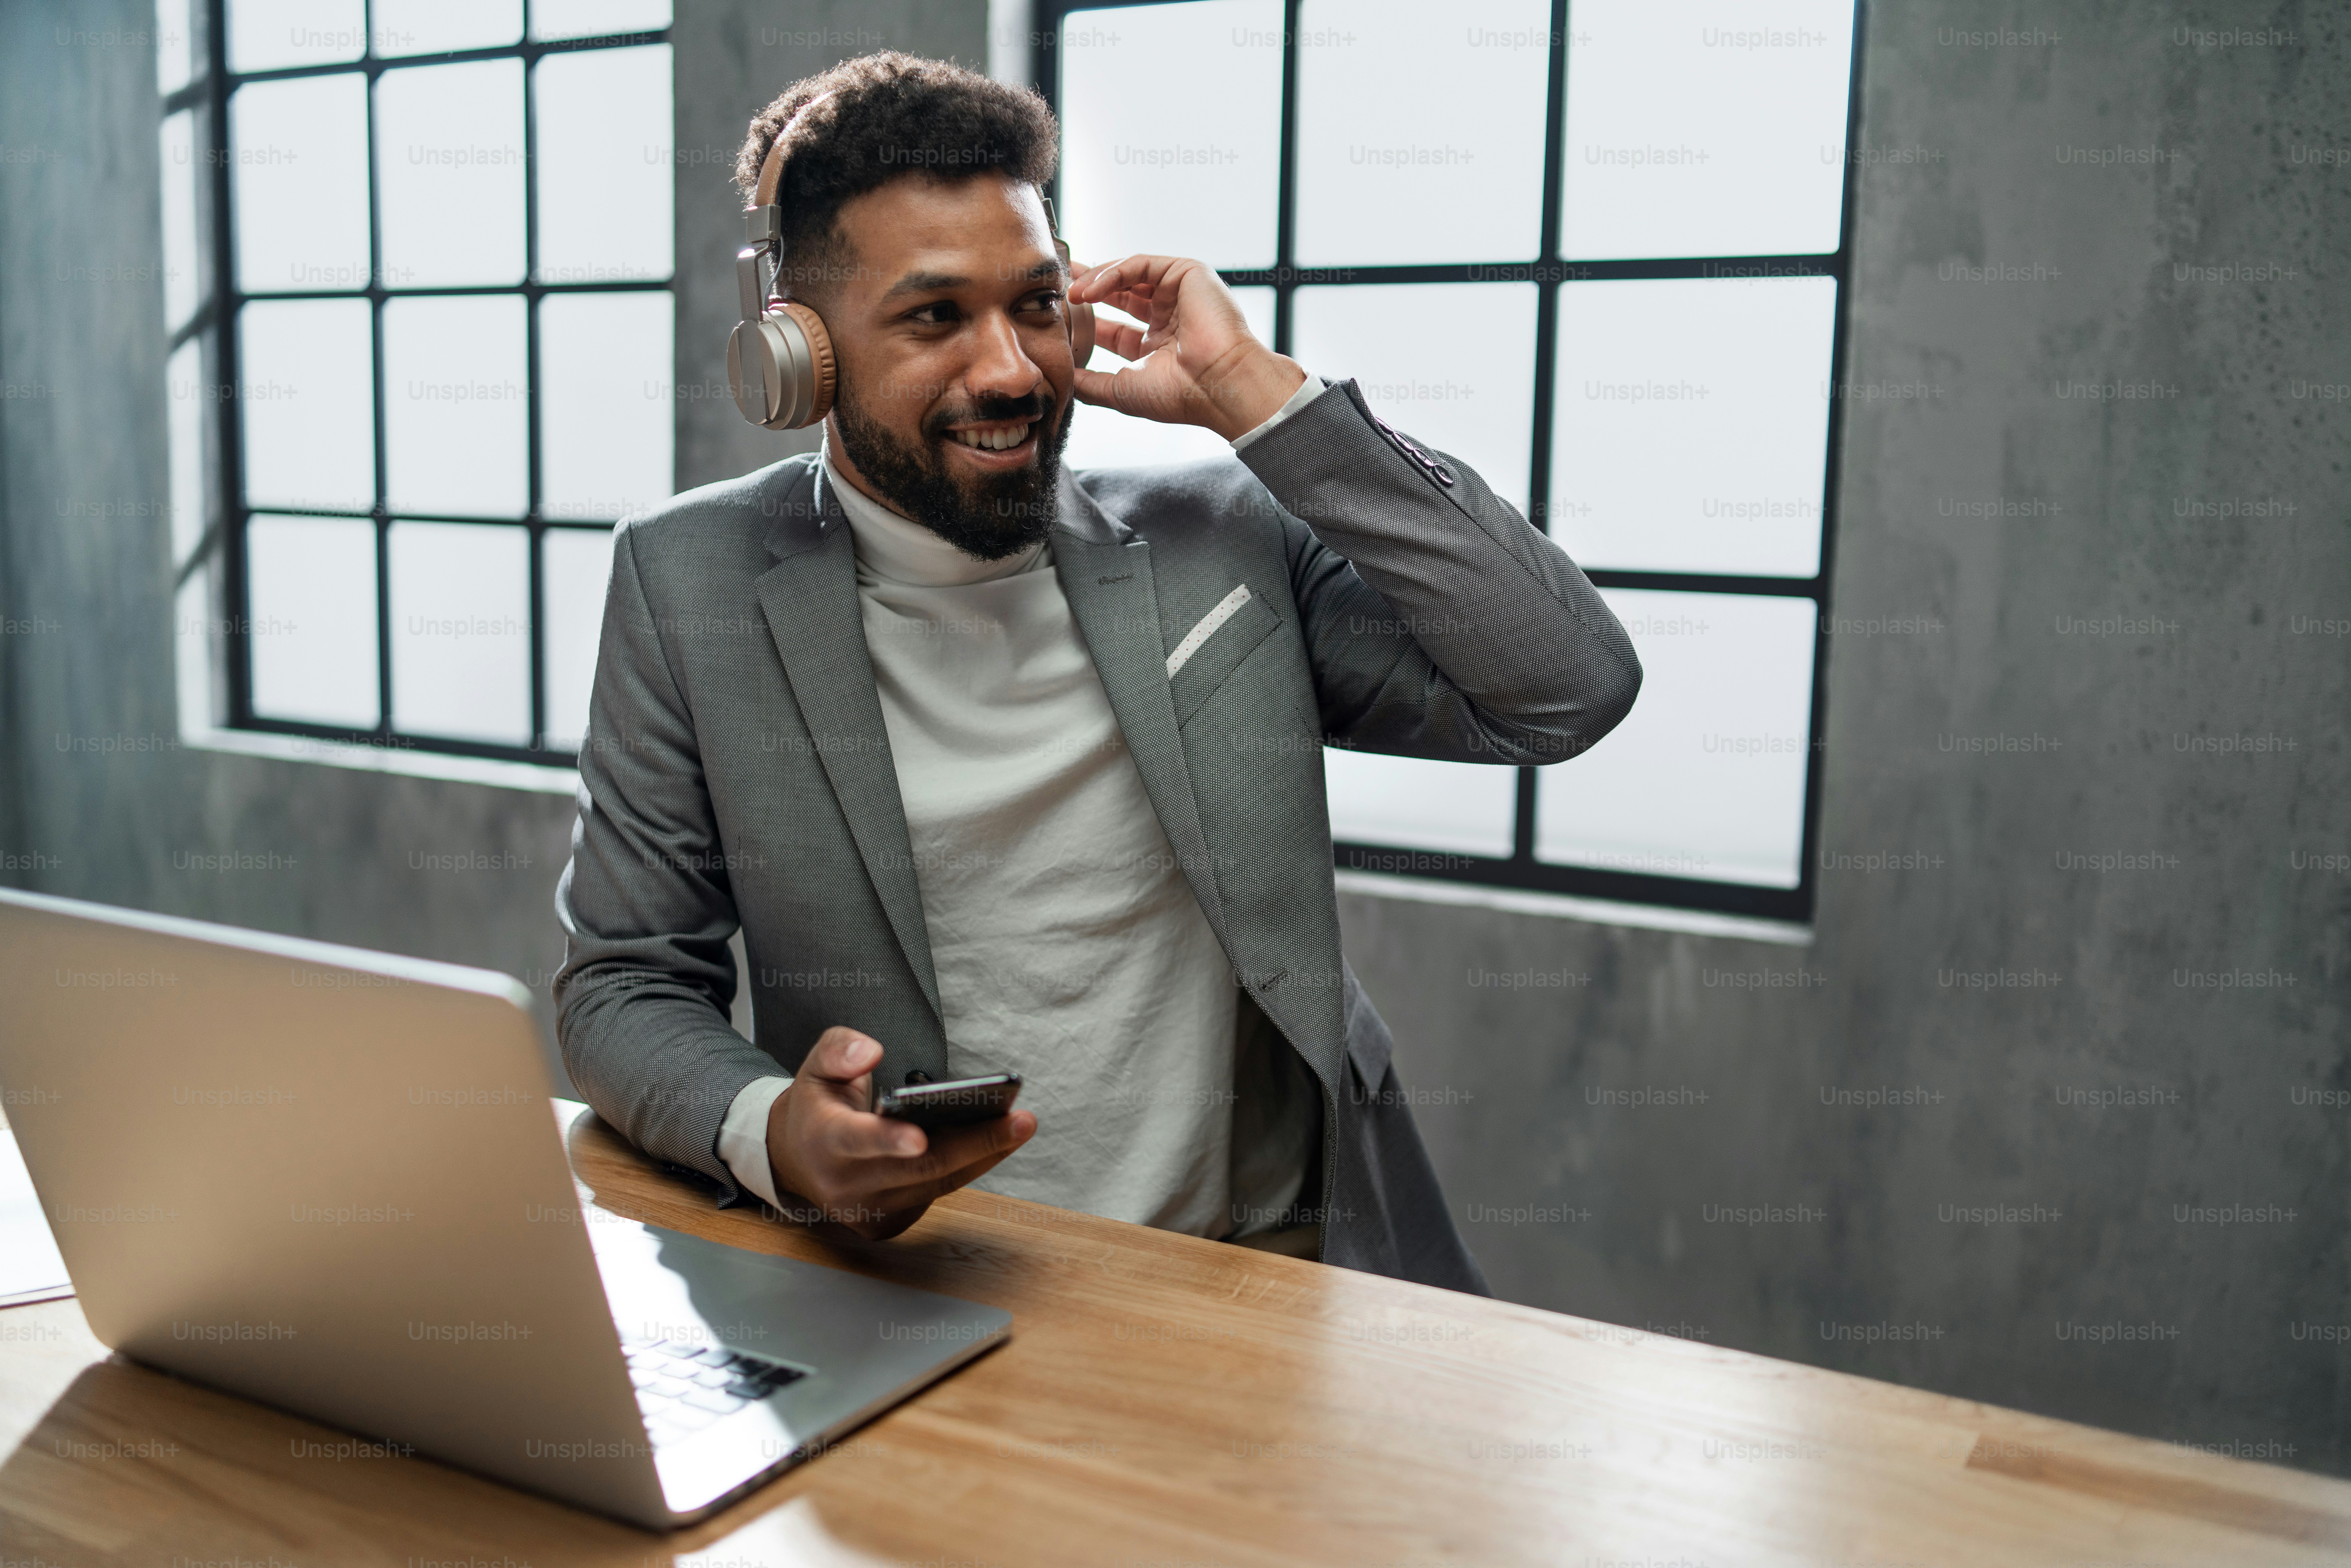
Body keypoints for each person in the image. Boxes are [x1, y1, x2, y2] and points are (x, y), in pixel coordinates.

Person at [553, 53, 1640, 1294]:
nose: (1011, 369)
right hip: (913, 1282)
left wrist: (1262, 402)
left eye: (1032, 303)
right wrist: (770, 1133)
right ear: (800, 354)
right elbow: (627, 983)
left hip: (1263, 1262)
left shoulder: (1216, 532)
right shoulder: (685, 580)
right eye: (932, 317)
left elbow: (1564, 685)